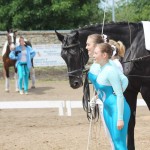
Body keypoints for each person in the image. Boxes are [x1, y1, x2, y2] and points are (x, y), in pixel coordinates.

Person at [89, 43, 131, 149]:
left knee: (119, 142)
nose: (93, 55)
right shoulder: (102, 69)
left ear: (104, 55)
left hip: (118, 109)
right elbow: (105, 89)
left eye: (96, 53)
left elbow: (120, 95)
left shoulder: (110, 70)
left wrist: (120, 118)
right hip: (107, 109)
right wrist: (96, 97)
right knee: (115, 141)